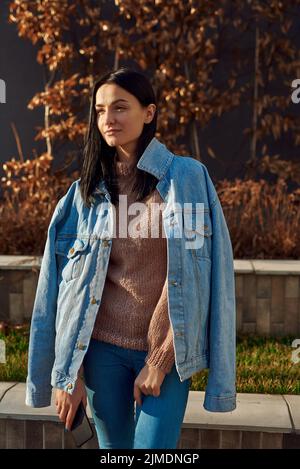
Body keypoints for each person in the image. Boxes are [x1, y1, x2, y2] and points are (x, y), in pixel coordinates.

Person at [25, 67, 237, 449]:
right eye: (101, 110)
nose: (109, 119)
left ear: (149, 113)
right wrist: (67, 374)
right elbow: (58, 291)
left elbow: (198, 277)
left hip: (165, 353)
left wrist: (158, 359)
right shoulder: (83, 193)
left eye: (120, 107)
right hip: (101, 352)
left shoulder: (187, 179)